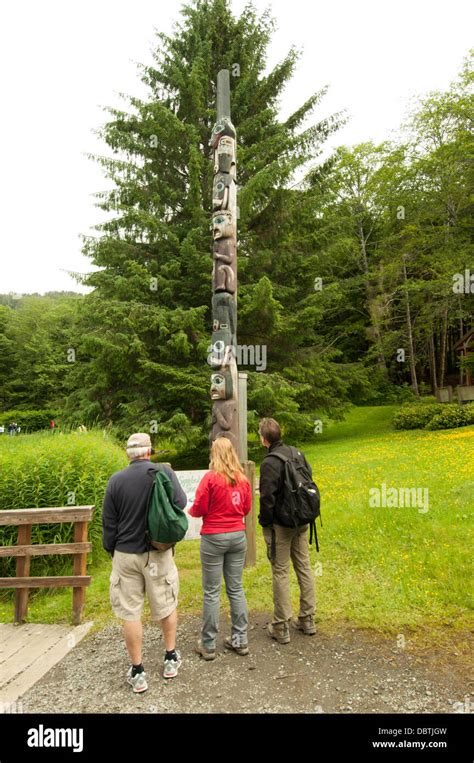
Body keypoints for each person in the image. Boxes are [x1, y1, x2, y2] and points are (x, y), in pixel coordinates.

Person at [102, 432, 187, 693]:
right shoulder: (163, 472)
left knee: (130, 612)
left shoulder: (115, 481)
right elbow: (181, 503)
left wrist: (113, 552)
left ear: (128, 454)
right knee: (166, 603)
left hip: (126, 555)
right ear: (149, 451)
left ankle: (138, 671)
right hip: (157, 552)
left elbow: (109, 525)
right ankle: (170, 658)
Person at [189, 436, 251, 660]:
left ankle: (208, 644)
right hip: (237, 535)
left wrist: (192, 512)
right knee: (236, 588)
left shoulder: (210, 479)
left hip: (214, 537)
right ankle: (240, 640)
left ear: (214, 454)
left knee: (212, 591)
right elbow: (246, 508)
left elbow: (199, 507)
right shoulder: (242, 479)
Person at [258, 418, 316, 644]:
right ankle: (308, 618)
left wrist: (266, 523)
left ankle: (281, 625)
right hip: (302, 519)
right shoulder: (297, 453)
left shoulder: (270, 463)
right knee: (304, 566)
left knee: (280, 571)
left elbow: (267, 498)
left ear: (264, 439)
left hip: (281, 525)